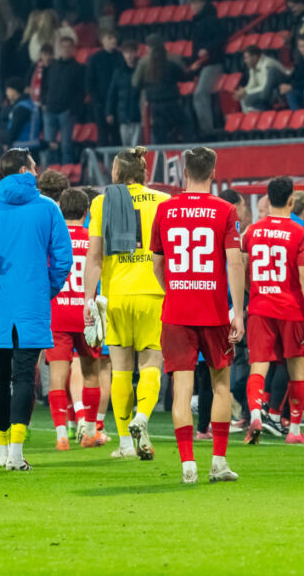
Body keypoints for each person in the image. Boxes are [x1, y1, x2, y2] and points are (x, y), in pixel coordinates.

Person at [0, 149, 73, 471]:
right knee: (24, 377)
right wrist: (44, 289)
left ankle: (3, 447)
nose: (37, 171)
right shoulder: (48, 208)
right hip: (32, 305)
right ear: (23, 170)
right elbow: (63, 259)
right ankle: (17, 455)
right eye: (34, 167)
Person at [149, 147, 245, 483]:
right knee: (220, 386)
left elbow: (157, 263)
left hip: (177, 312)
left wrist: (173, 289)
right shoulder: (225, 209)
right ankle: (218, 462)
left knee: (181, 388)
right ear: (214, 173)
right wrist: (238, 312)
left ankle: (187, 465)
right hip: (214, 311)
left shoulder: (165, 209)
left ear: (185, 172)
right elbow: (235, 262)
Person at [83, 147, 169, 460]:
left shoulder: (102, 202)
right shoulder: (163, 201)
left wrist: (88, 299)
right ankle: (142, 417)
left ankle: (124, 444)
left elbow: (94, 257)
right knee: (151, 364)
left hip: (116, 295)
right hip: (154, 294)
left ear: (117, 173)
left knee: (120, 369)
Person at [241, 177, 304, 445]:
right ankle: (294, 430)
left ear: (268, 198)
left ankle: (255, 415)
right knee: (297, 368)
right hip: (291, 309)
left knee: (258, 366)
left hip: (260, 307)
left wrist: (254, 293)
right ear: (291, 200)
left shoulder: (251, 231)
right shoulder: (300, 233)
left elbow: (244, 267)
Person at [47, 189, 106, 449]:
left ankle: (61, 435)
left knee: (57, 375)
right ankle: (90, 432)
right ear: (86, 212)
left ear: (60, 209)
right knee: (91, 373)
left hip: (58, 313)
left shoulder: (53, 240)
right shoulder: (93, 240)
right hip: (87, 314)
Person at [134, 34, 194, 144]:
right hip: (171, 102)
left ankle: (161, 152)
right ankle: (187, 146)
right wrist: (193, 70)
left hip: (154, 103)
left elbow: (136, 83)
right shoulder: (171, 62)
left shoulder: (143, 64)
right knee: (185, 123)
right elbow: (183, 77)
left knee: (160, 131)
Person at [40, 36, 85, 166]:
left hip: (67, 112)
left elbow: (81, 92)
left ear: (73, 49)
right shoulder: (52, 66)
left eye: (69, 47)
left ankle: (67, 172)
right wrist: (44, 102)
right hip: (50, 110)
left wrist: (72, 109)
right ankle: (50, 173)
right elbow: (44, 86)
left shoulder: (79, 68)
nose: (66, 49)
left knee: (66, 146)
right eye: (64, 47)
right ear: (59, 49)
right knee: (49, 146)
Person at [189, 0, 226, 138]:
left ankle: (207, 130)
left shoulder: (210, 20)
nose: (191, 7)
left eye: (193, 3)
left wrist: (207, 49)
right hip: (202, 65)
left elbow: (221, 37)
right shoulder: (198, 21)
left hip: (212, 63)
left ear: (201, 3)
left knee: (200, 94)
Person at [86, 30, 124, 144]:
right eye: (110, 38)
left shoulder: (120, 57)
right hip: (101, 103)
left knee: (118, 136)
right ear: (103, 40)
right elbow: (89, 82)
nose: (114, 40)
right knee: (103, 135)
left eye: (114, 38)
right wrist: (96, 102)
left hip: (118, 102)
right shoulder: (95, 59)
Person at [107, 40, 142, 147]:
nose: (129, 55)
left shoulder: (141, 70)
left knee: (137, 148)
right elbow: (112, 94)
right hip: (123, 116)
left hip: (138, 116)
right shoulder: (118, 72)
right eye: (126, 52)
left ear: (136, 53)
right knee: (126, 148)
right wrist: (109, 112)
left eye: (131, 52)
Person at [235, 46, 288, 113]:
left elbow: (265, 88)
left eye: (246, 58)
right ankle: (259, 111)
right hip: (266, 94)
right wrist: (244, 90)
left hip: (280, 92)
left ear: (255, 57)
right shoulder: (253, 67)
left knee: (249, 98)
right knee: (244, 97)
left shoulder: (268, 64)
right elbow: (252, 84)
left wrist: (247, 92)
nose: (245, 61)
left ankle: (261, 110)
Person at [0, 78, 41, 152]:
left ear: (14, 91)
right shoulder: (31, 105)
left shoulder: (21, 109)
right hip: (33, 147)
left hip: (22, 149)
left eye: (8, 90)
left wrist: (1, 136)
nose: (6, 93)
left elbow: (13, 134)